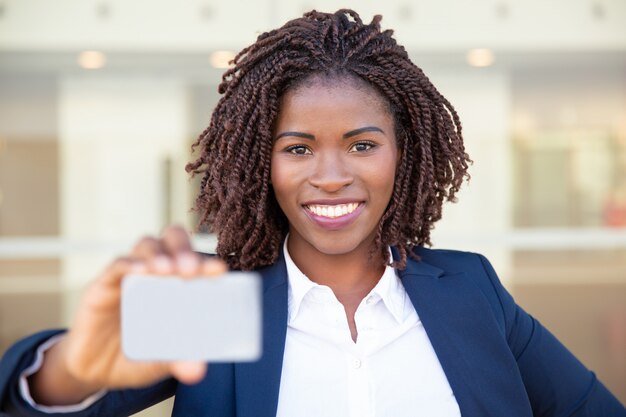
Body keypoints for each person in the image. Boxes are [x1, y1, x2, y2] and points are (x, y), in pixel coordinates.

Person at [0, 9, 624, 417]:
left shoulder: (469, 290)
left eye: (361, 144)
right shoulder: (222, 300)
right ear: (259, 165)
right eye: (297, 148)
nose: (331, 176)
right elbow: (37, 401)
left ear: (401, 155)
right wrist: (73, 367)